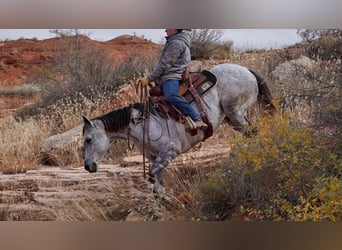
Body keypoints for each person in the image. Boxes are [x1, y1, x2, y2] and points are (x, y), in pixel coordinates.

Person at [139, 29, 208, 130]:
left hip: (172, 76)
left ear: (175, 28)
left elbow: (164, 65)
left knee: (170, 95)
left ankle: (196, 118)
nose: (165, 30)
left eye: (168, 27)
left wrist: (149, 78)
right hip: (168, 76)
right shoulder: (174, 41)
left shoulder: (176, 43)